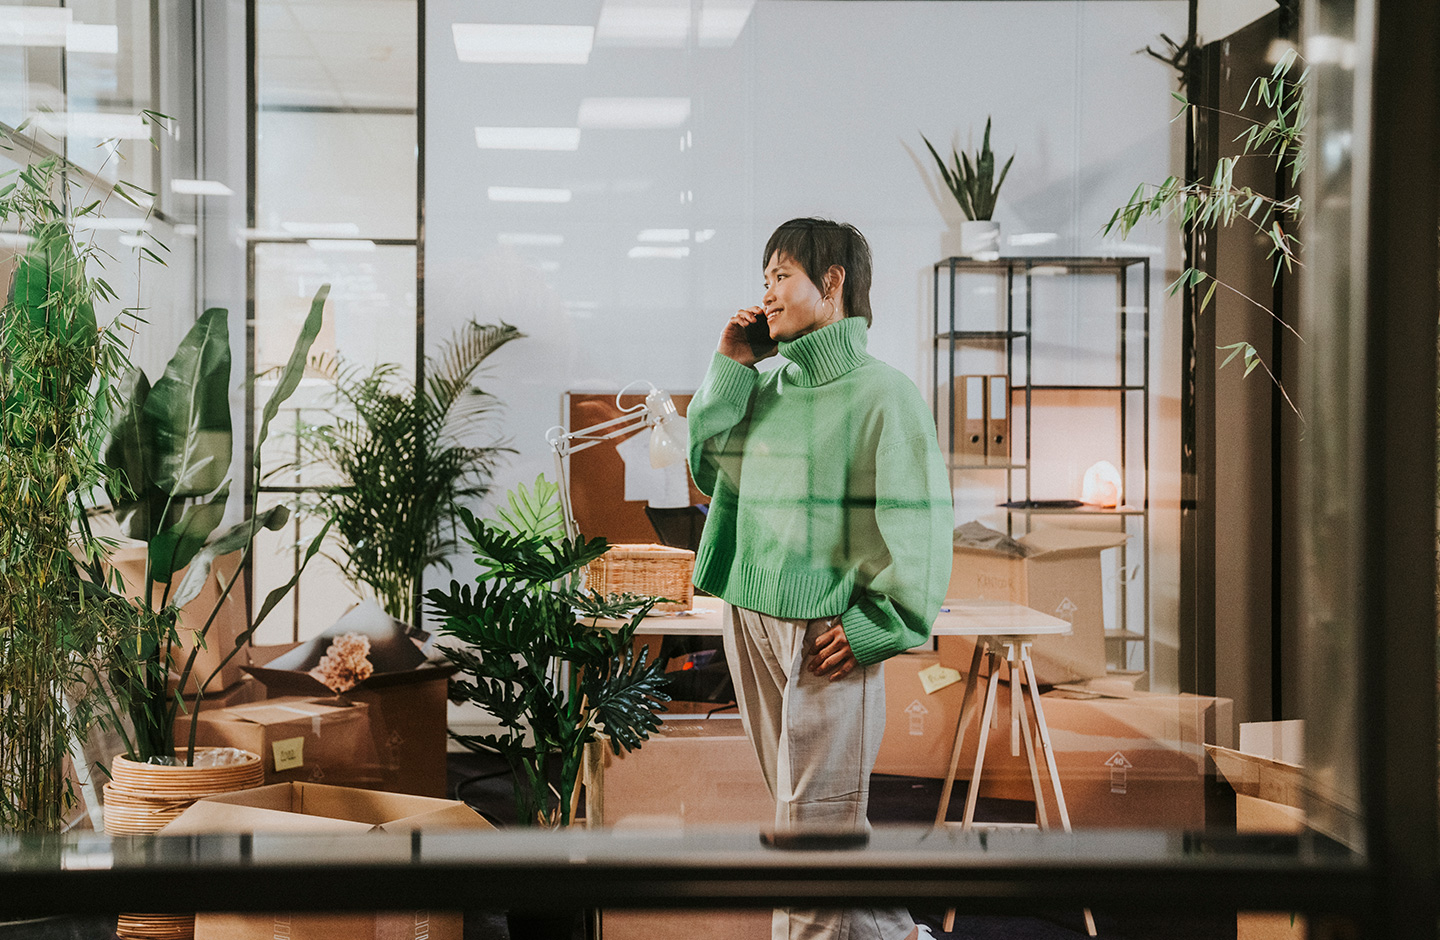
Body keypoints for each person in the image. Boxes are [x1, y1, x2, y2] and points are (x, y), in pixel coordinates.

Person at [687, 218, 953, 940]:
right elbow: (707, 470)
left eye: (782, 276)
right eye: (764, 278)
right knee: (814, 823)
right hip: (750, 615)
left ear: (831, 283)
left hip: (826, 632)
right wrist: (729, 368)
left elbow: (920, 527)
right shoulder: (765, 386)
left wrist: (878, 627)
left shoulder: (884, 396)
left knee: (807, 845)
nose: (767, 293)